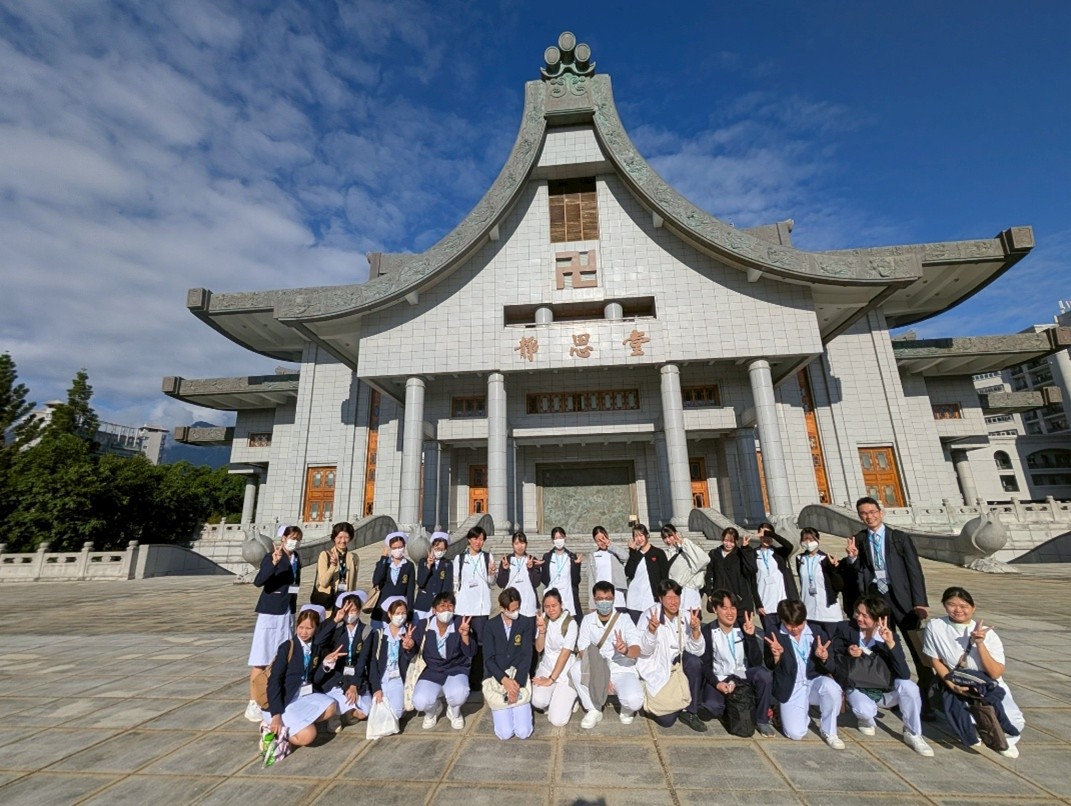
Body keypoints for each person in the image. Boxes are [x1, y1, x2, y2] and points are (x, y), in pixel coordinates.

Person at [846, 496, 935, 720]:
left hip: (903, 600)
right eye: (864, 513)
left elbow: (914, 569)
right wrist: (853, 559)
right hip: (878, 600)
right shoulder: (859, 539)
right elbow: (860, 572)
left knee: (918, 650)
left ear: (880, 512)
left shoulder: (898, 538)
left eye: (872, 512)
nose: (869, 517)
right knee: (885, 647)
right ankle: (893, 695)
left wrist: (920, 601)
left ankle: (928, 700)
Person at [922, 586, 1024, 757]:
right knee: (969, 715)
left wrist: (980, 643)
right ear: (944, 606)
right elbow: (935, 660)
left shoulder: (988, 635)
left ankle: (1004, 739)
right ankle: (977, 731)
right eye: (951, 605)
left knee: (1013, 720)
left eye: (963, 606)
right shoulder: (935, 626)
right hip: (957, 680)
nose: (958, 610)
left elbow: (995, 673)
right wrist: (951, 684)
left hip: (987, 684)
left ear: (973, 607)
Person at [832, 595, 934, 756]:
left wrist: (890, 644)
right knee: (864, 711)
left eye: (865, 616)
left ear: (879, 619)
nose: (859, 618)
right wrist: (848, 651)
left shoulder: (889, 636)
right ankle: (866, 720)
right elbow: (834, 652)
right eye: (858, 613)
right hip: (857, 685)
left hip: (884, 687)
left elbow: (903, 673)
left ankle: (913, 733)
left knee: (910, 687)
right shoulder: (846, 628)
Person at [763, 598, 844, 749]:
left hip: (814, 681)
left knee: (831, 688)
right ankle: (793, 713)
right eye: (789, 625)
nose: (794, 629)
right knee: (795, 733)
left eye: (799, 625)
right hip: (792, 686)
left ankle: (830, 731)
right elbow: (769, 665)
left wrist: (824, 658)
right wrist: (776, 656)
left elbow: (832, 667)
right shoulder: (774, 632)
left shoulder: (817, 632)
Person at [263, 606, 338, 758]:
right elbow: (274, 681)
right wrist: (276, 714)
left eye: (309, 628)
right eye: (301, 627)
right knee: (308, 736)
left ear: (316, 629)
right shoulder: (287, 647)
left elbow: (315, 679)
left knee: (331, 707)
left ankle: (296, 724)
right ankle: (277, 732)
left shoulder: (316, 648)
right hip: (286, 699)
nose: (304, 632)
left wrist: (326, 665)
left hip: (304, 694)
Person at [246, 524, 303, 722]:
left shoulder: (297, 559)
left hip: (287, 612)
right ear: (282, 538)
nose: (294, 541)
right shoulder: (272, 556)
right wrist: (273, 562)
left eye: (297, 537)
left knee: (281, 655)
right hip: (270, 611)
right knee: (261, 657)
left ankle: (273, 695)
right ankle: (254, 701)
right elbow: (259, 581)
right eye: (291, 537)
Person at [700, 589, 775, 737]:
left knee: (764, 676)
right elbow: (706, 665)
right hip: (721, 676)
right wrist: (717, 684)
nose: (730, 612)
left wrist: (751, 637)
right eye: (724, 608)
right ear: (715, 609)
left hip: (742, 674)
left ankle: (762, 720)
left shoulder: (743, 627)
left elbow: (756, 662)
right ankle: (729, 706)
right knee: (712, 708)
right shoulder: (708, 631)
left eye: (733, 608)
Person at [571, 580, 644, 728]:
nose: (604, 602)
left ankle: (627, 708)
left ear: (614, 599)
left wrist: (625, 650)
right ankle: (593, 708)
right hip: (597, 667)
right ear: (594, 600)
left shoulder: (625, 619)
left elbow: (637, 649)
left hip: (621, 668)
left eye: (608, 599)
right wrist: (600, 676)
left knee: (635, 701)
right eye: (600, 599)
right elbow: (583, 649)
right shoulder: (587, 620)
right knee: (575, 669)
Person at [636, 579, 706, 732]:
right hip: (656, 668)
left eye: (676, 597)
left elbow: (697, 650)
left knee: (694, 662)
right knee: (667, 721)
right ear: (660, 599)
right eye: (669, 598)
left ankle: (691, 711)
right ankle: (657, 699)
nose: (674, 602)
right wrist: (651, 632)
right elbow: (643, 651)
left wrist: (695, 631)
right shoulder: (649, 615)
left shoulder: (686, 616)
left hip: (678, 665)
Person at [410, 592, 476, 730]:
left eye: (450, 606)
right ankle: (433, 710)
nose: (446, 609)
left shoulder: (460, 623)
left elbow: (471, 652)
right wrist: (409, 645)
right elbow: (413, 648)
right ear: (434, 610)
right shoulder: (424, 625)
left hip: (455, 668)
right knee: (419, 701)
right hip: (432, 670)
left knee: (459, 694)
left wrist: (465, 636)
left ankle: (455, 712)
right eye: (442, 606)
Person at [483, 587, 536, 740]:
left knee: (523, 732)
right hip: (498, 677)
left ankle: (517, 706)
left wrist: (515, 685)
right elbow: (488, 659)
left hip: (518, 676)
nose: (515, 612)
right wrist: (505, 680)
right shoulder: (490, 626)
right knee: (505, 734)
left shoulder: (525, 623)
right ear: (502, 608)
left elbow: (527, 655)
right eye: (512, 610)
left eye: (517, 608)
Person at [316, 589, 372, 726]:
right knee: (335, 700)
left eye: (353, 610)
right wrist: (335, 620)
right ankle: (334, 714)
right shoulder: (337, 629)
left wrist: (353, 685)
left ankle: (348, 712)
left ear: (359, 610)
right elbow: (318, 642)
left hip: (356, 676)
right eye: (347, 610)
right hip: (337, 677)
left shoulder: (366, 631)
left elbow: (363, 659)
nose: (350, 614)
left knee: (364, 712)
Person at [453, 525, 494, 689]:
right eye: (476, 538)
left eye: (482, 539)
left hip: (481, 608)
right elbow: (455, 582)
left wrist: (492, 573)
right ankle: (461, 674)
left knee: (480, 643)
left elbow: (491, 582)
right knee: (463, 641)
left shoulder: (487, 557)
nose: (479, 542)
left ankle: (476, 679)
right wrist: (455, 601)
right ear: (469, 540)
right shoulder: (460, 559)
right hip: (463, 607)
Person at [532, 588, 579, 726]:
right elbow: (539, 648)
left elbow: (565, 654)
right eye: (547, 606)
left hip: (565, 672)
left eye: (554, 605)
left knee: (557, 721)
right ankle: (554, 697)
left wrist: (551, 680)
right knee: (538, 701)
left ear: (561, 604)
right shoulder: (544, 620)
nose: (551, 610)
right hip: (547, 667)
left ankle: (571, 698)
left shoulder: (570, 623)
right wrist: (541, 631)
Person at [367, 596, 416, 721]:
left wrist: (408, 647)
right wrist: (376, 688)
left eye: (403, 613)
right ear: (389, 614)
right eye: (397, 613)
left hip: (398, 679)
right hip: (382, 678)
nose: (400, 617)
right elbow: (373, 662)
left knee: (395, 714)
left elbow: (410, 658)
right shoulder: (379, 634)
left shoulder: (409, 634)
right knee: (375, 713)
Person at [750, 522, 799, 635]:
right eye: (763, 534)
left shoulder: (779, 553)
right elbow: (752, 581)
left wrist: (771, 534)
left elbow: (789, 546)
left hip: (783, 603)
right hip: (765, 604)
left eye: (769, 535)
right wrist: (758, 604)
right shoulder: (753, 554)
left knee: (786, 635)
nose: (766, 538)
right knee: (770, 637)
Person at [795, 528, 845, 633]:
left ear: (818, 540)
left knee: (832, 640)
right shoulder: (800, 559)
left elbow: (839, 585)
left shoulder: (827, 559)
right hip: (809, 608)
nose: (808, 543)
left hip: (827, 608)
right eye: (805, 540)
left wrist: (834, 570)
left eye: (811, 540)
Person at [704, 527, 756, 625]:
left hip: (740, 598)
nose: (728, 544)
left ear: (736, 541)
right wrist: (709, 592)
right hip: (722, 596)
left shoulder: (740, 553)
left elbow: (752, 569)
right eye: (726, 540)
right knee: (725, 627)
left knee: (744, 629)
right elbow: (709, 574)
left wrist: (746, 549)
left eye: (732, 541)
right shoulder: (714, 554)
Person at [624, 523, 669, 624]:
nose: (639, 539)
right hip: (635, 600)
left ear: (647, 535)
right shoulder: (635, 555)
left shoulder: (658, 553)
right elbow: (628, 572)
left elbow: (664, 576)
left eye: (641, 535)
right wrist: (632, 552)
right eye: (636, 536)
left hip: (652, 599)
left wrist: (663, 595)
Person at [371, 532, 416, 629]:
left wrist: (410, 612)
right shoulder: (384, 563)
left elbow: (410, 590)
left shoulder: (409, 565)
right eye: (394, 548)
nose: (398, 550)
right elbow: (376, 581)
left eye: (400, 547)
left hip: (400, 608)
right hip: (383, 607)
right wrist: (383, 559)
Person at [311, 521, 358, 614]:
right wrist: (333, 567)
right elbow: (323, 583)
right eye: (339, 537)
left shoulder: (353, 557)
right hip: (329, 599)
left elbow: (353, 583)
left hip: (345, 600)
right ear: (334, 538)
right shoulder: (325, 555)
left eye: (346, 537)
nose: (343, 541)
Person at [661, 524, 708, 612]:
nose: (668, 540)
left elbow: (704, 559)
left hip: (689, 593)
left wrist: (683, 543)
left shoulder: (686, 548)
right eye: (665, 538)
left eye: (670, 536)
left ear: (675, 534)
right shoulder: (666, 553)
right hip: (674, 593)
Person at [496, 531, 541, 617]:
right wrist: (505, 570)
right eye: (516, 543)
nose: (520, 546)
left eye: (522, 543)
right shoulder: (507, 560)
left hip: (529, 606)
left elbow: (536, 583)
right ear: (512, 545)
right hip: (511, 606)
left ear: (526, 544)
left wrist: (531, 569)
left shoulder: (532, 559)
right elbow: (500, 584)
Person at [541, 526, 583, 617]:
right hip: (552, 596)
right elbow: (545, 580)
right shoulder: (547, 557)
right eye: (556, 538)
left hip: (568, 595)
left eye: (561, 537)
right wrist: (541, 567)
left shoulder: (571, 557)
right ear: (552, 540)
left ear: (565, 538)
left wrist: (577, 566)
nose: (558, 540)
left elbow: (576, 580)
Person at [588, 525, 628, 611]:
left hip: (617, 595)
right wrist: (591, 602)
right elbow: (591, 580)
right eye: (598, 540)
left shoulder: (614, 551)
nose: (602, 542)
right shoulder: (593, 555)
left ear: (607, 536)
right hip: (601, 595)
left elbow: (625, 557)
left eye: (603, 538)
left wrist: (610, 545)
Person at [415, 531, 453, 621]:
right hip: (422, 604)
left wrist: (440, 602)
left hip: (438, 605)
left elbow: (447, 586)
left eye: (442, 550)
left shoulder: (447, 564)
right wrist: (428, 566)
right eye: (437, 549)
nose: (439, 552)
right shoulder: (423, 562)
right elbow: (421, 582)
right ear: (432, 547)